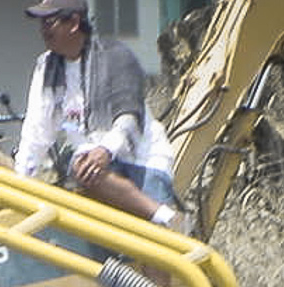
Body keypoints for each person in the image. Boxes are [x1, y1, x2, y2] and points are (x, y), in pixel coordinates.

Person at [13, 1, 185, 231]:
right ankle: (165, 216)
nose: (43, 29)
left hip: (142, 159)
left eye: (49, 22)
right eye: (41, 23)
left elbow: (129, 116)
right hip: (95, 170)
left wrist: (106, 150)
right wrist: (19, 183)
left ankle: (166, 218)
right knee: (82, 165)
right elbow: (36, 131)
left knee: (158, 248)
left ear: (74, 23)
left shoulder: (115, 55)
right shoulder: (46, 68)